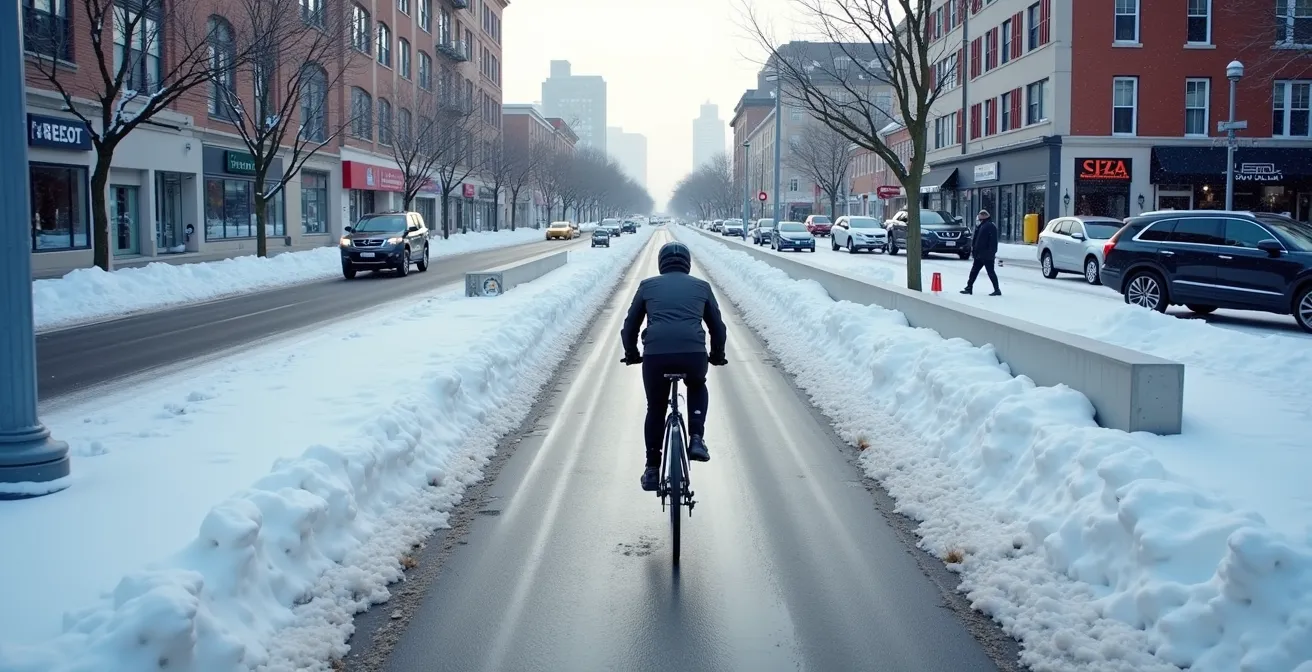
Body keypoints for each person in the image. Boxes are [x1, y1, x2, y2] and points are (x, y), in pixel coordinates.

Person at [620, 241, 728, 492]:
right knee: (697, 384)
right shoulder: (702, 287)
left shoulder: (647, 286)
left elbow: (630, 326)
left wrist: (632, 353)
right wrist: (717, 354)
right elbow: (717, 327)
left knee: (656, 407)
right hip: (693, 354)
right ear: (687, 264)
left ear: (661, 264)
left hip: (656, 355)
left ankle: (651, 468)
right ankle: (697, 438)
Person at [962, 209, 1001, 296]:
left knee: (989, 272)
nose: (978, 219)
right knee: (975, 271)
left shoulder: (989, 226)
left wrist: (990, 253)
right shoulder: (983, 226)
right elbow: (978, 240)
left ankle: (997, 289)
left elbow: (991, 242)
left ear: (983, 216)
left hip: (986, 255)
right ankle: (969, 287)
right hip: (980, 254)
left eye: (979, 217)